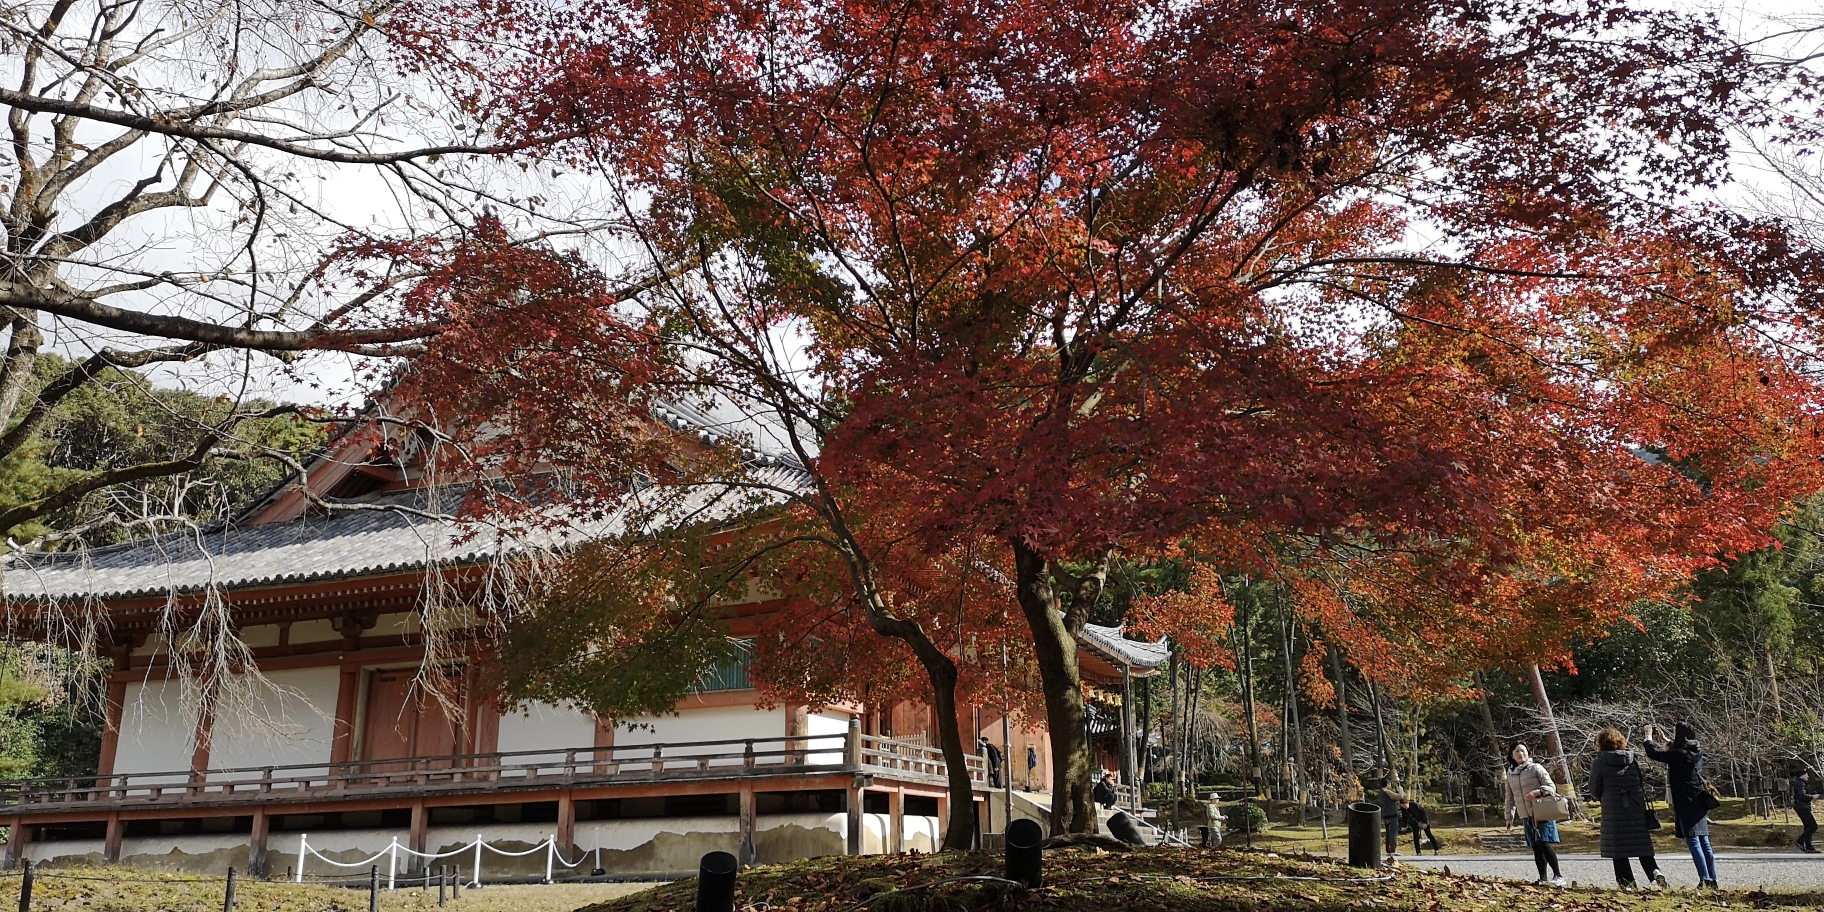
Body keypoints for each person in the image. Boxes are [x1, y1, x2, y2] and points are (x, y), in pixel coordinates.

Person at [1585, 727, 1666, 890]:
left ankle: (1627, 883)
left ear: (1601, 743)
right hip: (1635, 806)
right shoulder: (1631, 759)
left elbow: (1594, 788)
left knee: (1618, 848)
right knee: (1641, 844)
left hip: (1613, 808)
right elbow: (1640, 780)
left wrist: (1603, 797)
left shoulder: (1600, 762)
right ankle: (1655, 873)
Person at [1643, 722, 1718, 888]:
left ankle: (1704, 879)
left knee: (1693, 840)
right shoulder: (1696, 752)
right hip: (1699, 800)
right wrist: (1664, 738)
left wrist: (1648, 736)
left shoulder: (1679, 755)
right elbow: (1678, 749)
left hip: (1686, 801)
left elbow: (1653, 753)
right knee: (1704, 840)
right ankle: (1712, 879)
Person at [1503, 743, 1565, 886]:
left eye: (1523, 751)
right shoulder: (1510, 774)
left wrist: (1538, 792)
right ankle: (1543, 878)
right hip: (1525, 815)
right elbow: (1509, 797)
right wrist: (1509, 817)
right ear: (1512, 755)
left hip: (1541, 812)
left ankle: (1558, 875)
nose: (1520, 754)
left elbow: (1551, 787)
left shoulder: (1536, 768)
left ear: (1528, 753)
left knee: (1543, 842)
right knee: (1536, 846)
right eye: (1517, 751)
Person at [1375, 777, 1403, 859]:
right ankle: (1393, 849)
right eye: (1389, 783)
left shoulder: (1381, 793)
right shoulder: (1387, 791)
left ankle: (1389, 849)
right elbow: (1400, 797)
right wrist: (1400, 789)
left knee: (1388, 833)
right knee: (1393, 833)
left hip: (1386, 814)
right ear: (1387, 784)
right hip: (1392, 814)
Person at [1794, 768, 1818, 854]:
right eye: (1806, 774)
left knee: (1808, 826)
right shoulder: (1800, 784)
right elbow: (1802, 796)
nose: (1808, 776)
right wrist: (1812, 797)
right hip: (1802, 807)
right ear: (1802, 775)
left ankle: (1809, 846)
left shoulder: (1799, 783)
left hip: (1801, 806)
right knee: (1813, 826)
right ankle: (1800, 841)